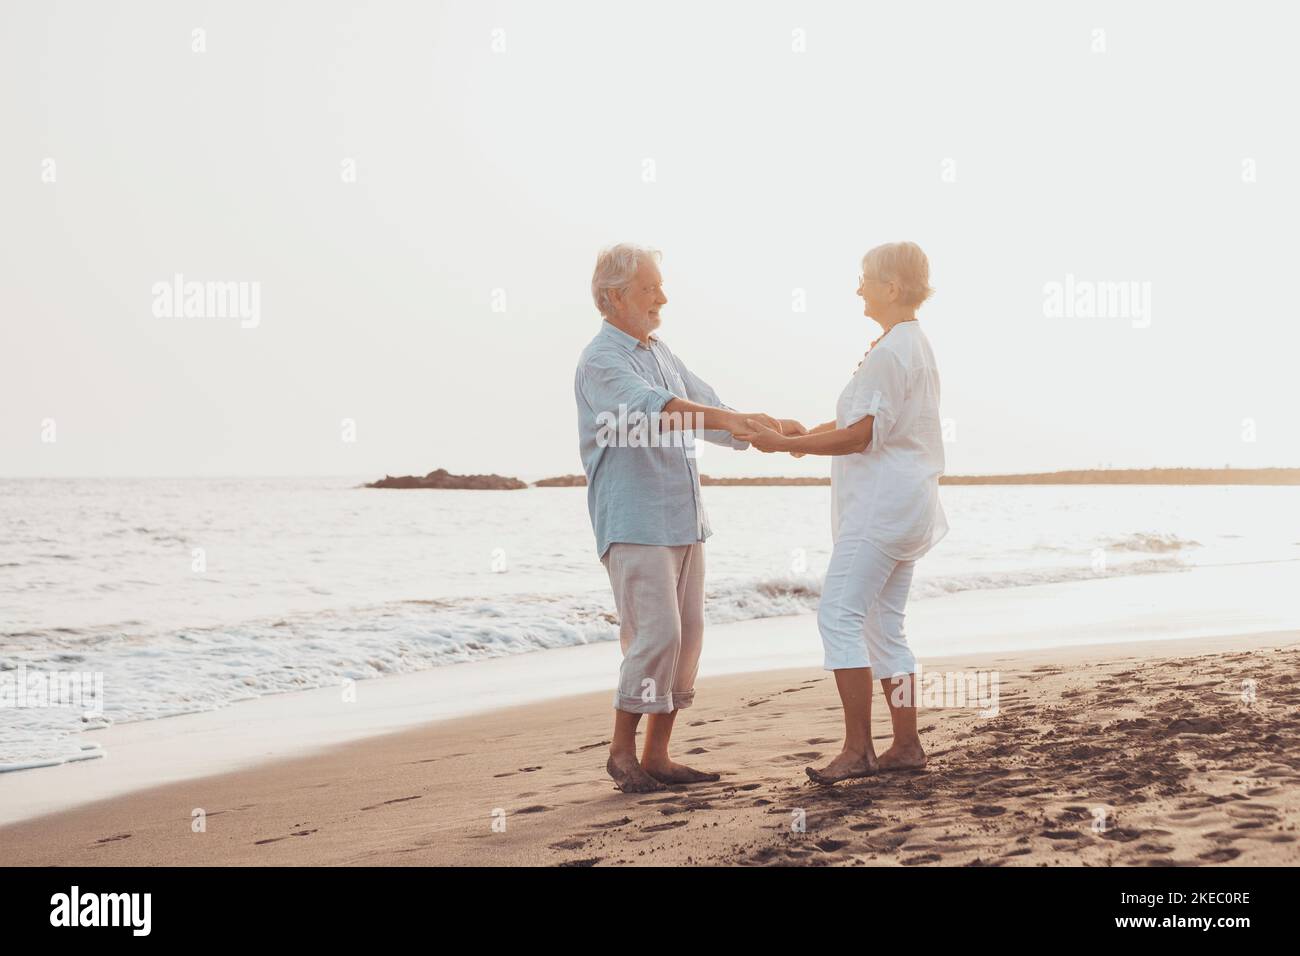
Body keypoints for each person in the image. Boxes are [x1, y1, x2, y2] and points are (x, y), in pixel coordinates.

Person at [575, 242, 804, 793]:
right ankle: (621, 753)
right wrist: (742, 419)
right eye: (650, 287)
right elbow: (662, 408)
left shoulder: (661, 351)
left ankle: (658, 755)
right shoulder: (602, 360)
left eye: (660, 285)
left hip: (683, 518)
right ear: (613, 296)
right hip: (633, 521)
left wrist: (770, 430)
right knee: (655, 635)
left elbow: (708, 410)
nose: (662, 297)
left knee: (688, 637)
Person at [735, 241, 947, 785]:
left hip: (881, 510)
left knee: (839, 615)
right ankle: (905, 745)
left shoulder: (892, 350)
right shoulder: (909, 344)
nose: (858, 288)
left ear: (892, 287)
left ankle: (858, 750)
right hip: (907, 504)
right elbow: (873, 429)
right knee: (884, 625)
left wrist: (785, 448)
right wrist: (805, 437)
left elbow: (864, 435)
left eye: (865, 279)